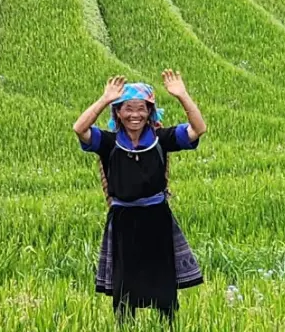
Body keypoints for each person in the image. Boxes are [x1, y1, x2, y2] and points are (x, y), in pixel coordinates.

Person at [72, 72, 207, 318]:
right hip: (123, 218)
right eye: (128, 109)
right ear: (118, 113)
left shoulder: (160, 139)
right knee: (124, 288)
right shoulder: (109, 142)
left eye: (142, 109)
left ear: (150, 112)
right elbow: (79, 128)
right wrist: (105, 99)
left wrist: (182, 95)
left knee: (163, 285)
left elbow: (199, 129)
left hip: (157, 217)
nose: (135, 115)